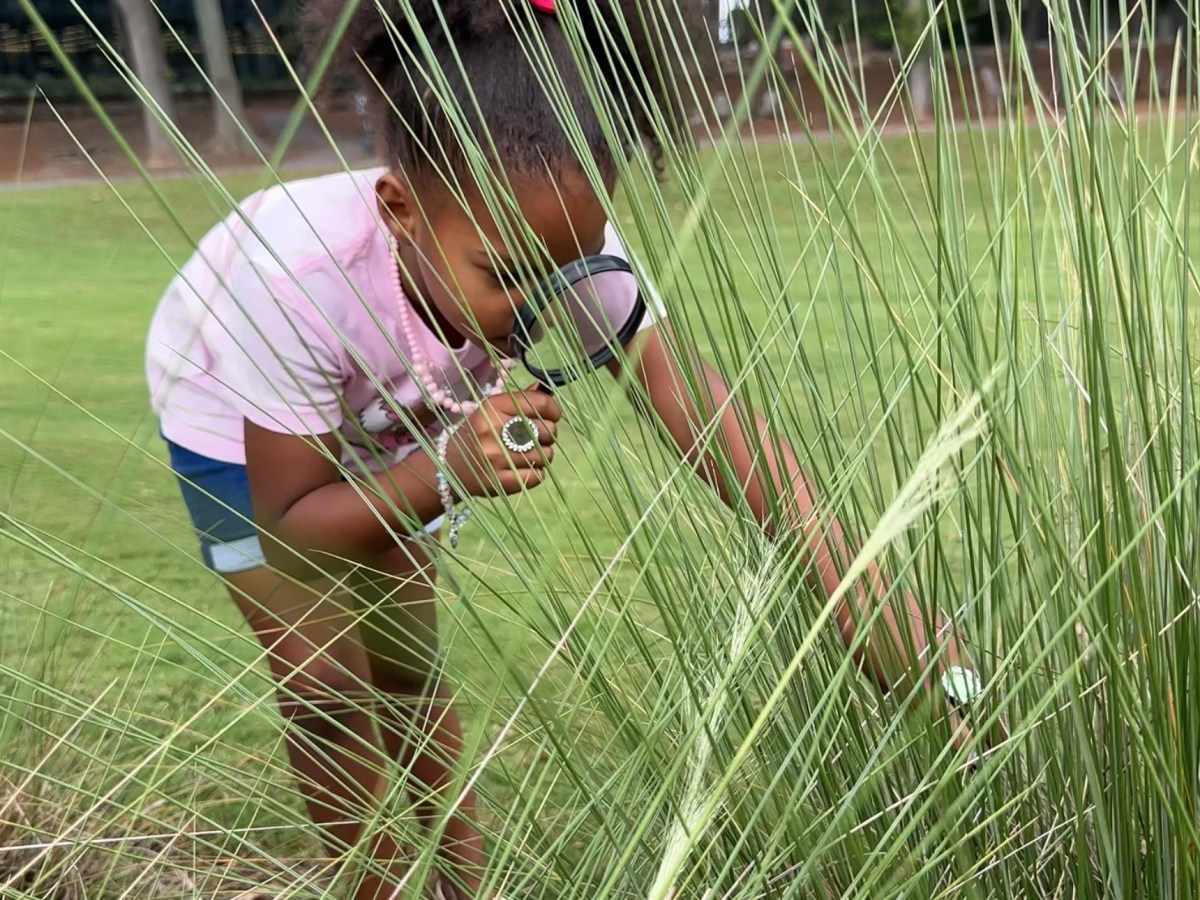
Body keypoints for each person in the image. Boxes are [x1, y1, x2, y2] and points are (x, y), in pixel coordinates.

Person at [144, 1, 990, 897]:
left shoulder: (559, 245)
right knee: (327, 689)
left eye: (569, 265)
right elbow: (291, 530)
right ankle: (373, 886)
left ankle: (459, 883)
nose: (546, 302)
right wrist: (444, 474)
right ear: (398, 210)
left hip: (398, 422)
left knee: (404, 668)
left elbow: (714, 422)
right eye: (508, 276)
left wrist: (888, 621)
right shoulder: (296, 279)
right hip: (237, 422)